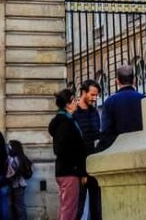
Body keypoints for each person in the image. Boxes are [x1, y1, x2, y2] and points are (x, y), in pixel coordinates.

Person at [48, 89, 87, 220]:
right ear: (68, 104)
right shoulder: (66, 123)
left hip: (65, 170)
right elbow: (65, 149)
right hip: (69, 171)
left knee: (67, 207)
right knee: (69, 209)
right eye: (74, 100)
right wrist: (80, 170)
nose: (76, 102)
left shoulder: (66, 120)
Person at [73, 80, 102, 220]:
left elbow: (97, 135)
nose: (94, 98)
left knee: (97, 205)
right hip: (79, 167)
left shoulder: (94, 112)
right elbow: (73, 144)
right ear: (83, 92)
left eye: (96, 95)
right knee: (78, 206)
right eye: (92, 95)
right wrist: (81, 171)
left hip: (95, 164)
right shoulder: (74, 113)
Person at [99, 66, 145, 150]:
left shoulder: (109, 102)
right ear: (134, 80)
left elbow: (106, 132)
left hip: (119, 150)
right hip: (141, 146)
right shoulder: (144, 99)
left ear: (117, 81)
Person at [8, 140, 32, 220]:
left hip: (16, 185)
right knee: (18, 206)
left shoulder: (14, 159)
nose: (8, 148)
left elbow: (14, 171)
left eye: (10, 146)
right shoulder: (21, 157)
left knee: (18, 207)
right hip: (19, 184)